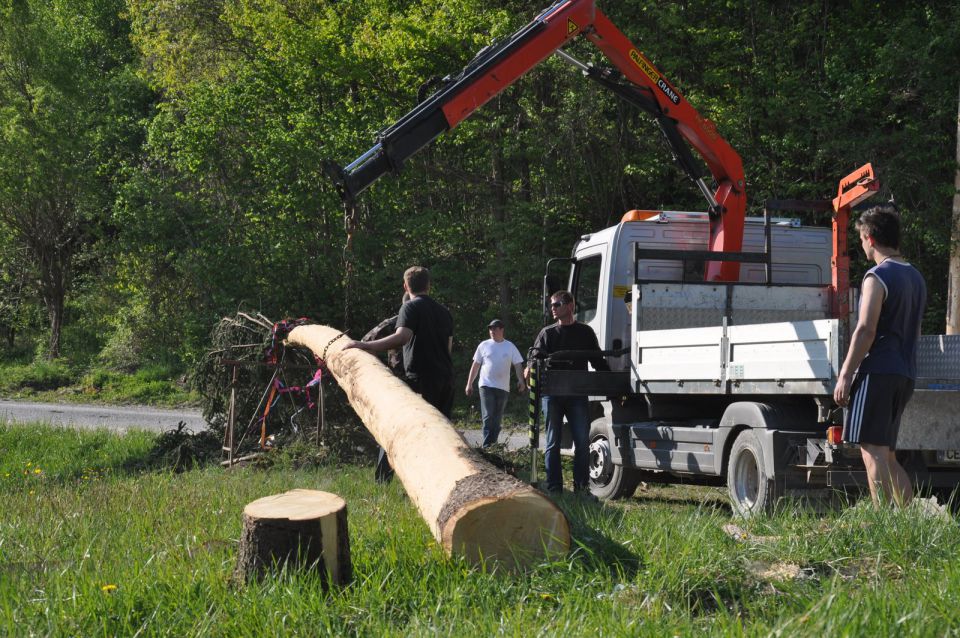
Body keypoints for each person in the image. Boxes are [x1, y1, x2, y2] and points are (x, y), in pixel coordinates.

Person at [833, 204, 926, 508]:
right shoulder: (916, 278)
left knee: (871, 449)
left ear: (870, 238)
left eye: (861, 239)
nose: (862, 246)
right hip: (905, 373)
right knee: (886, 454)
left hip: (878, 373)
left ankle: (882, 523)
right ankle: (907, 521)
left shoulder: (877, 276)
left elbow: (864, 330)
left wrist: (846, 373)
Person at [344, 266, 454, 482]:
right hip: (446, 379)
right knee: (441, 436)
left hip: (421, 380)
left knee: (396, 426)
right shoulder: (445, 312)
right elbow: (448, 348)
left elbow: (402, 337)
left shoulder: (410, 307)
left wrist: (365, 345)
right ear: (429, 285)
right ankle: (434, 482)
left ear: (405, 286)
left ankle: (383, 480)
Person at [526, 290, 609, 496]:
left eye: (557, 304)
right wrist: (529, 369)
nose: (553, 308)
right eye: (551, 305)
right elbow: (533, 360)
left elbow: (598, 361)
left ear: (571, 305)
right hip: (552, 395)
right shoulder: (547, 334)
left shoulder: (585, 333)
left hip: (577, 395)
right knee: (553, 442)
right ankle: (554, 487)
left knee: (582, 442)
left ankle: (581, 487)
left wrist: (612, 381)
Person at [465, 319, 527, 447]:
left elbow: (518, 365)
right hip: (486, 385)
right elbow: (476, 365)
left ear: (501, 329)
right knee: (488, 415)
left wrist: (521, 380)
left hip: (503, 387)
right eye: (490, 329)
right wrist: (469, 383)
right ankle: (487, 446)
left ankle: (493, 445)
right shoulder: (484, 345)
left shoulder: (510, 346)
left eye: (495, 328)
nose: (492, 331)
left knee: (497, 418)